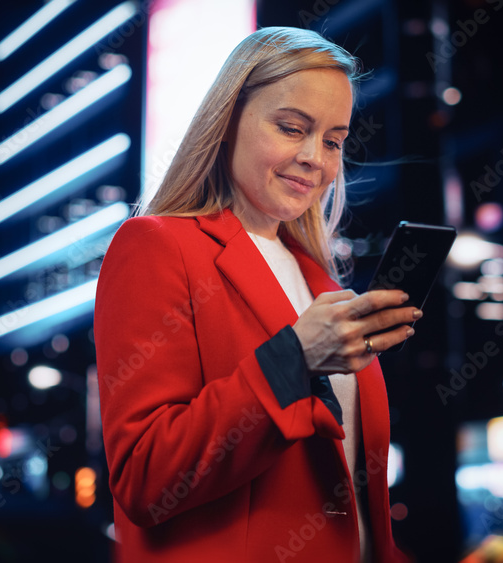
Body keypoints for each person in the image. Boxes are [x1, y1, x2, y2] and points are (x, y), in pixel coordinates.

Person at [94, 26, 416, 563]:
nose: (317, 158)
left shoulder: (320, 282)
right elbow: (145, 475)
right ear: (227, 122)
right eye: (293, 128)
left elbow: (355, 502)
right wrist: (293, 359)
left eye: (334, 141)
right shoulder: (157, 246)